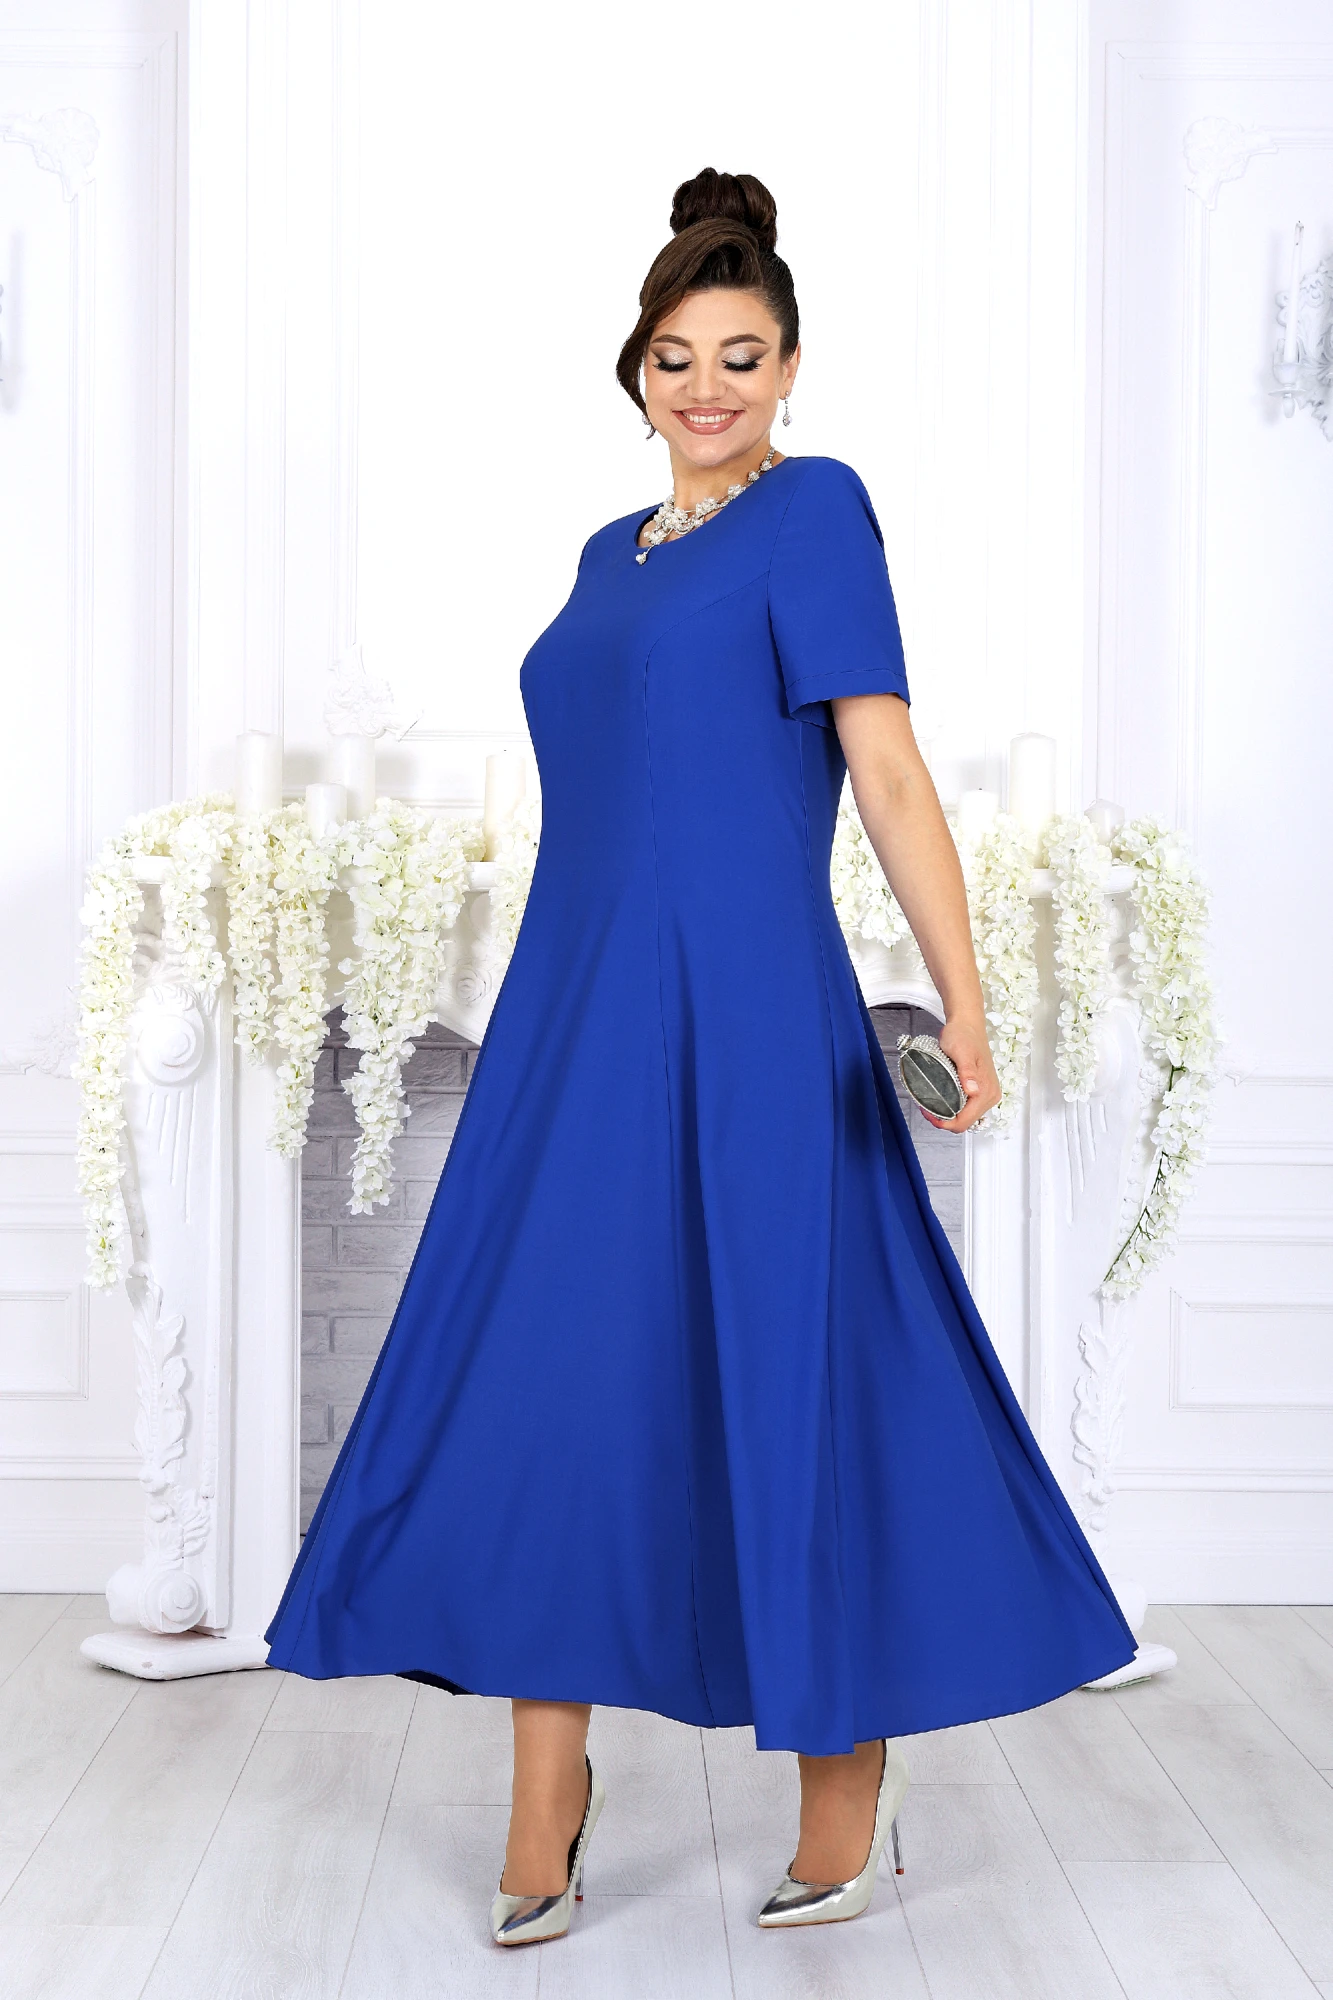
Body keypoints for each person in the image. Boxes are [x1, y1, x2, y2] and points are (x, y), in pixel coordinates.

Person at [263, 167, 1137, 1947]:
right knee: (558, 1373)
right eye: (677, 356)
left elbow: (886, 770)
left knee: (802, 1366)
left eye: (742, 354)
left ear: (791, 366)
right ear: (637, 371)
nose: (708, 385)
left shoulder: (817, 511)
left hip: (746, 1008)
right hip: (574, 1011)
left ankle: (842, 1782)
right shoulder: (612, 555)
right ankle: (548, 1785)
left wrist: (964, 1002)